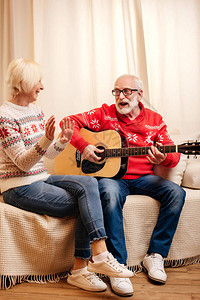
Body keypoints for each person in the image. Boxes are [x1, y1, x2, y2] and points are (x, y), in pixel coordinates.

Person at [0, 60, 133, 293]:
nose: (42, 86)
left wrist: (62, 141)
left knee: (89, 183)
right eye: (38, 81)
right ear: (23, 83)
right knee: (86, 204)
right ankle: (86, 265)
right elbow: (22, 163)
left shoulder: (36, 111)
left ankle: (91, 262)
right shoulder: (4, 116)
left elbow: (45, 155)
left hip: (39, 177)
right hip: (18, 186)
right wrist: (46, 140)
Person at [62, 74, 186, 297]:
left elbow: (173, 156)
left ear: (140, 95)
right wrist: (83, 146)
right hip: (112, 179)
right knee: (108, 193)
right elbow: (67, 123)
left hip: (142, 178)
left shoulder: (155, 120)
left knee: (176, 192)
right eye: (117, 91)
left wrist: (163, 159)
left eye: (127, 91)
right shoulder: (103, 114)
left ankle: (155, 255)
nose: (121, 96)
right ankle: (118, 265)